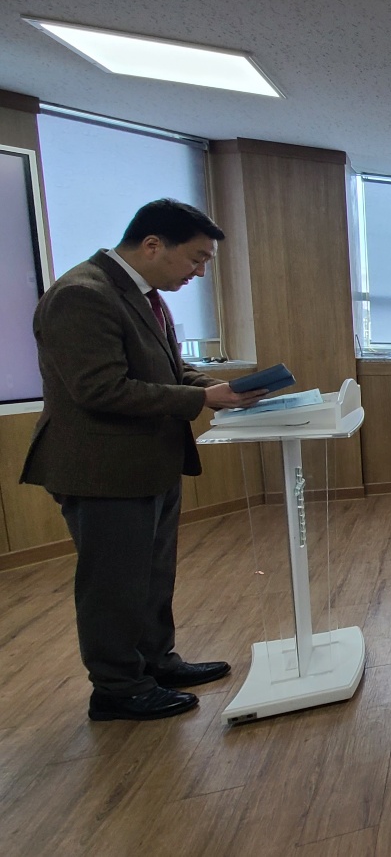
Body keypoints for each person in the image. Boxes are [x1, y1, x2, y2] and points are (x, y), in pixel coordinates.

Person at [21, 199, 269, 722]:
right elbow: (101, 389)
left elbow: (167, 371)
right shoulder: (82, 295)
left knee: (151, 575)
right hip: (103, 469)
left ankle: (155, 663)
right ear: (154, 245)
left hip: (148, 461)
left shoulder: (144, 295)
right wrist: (201, 399)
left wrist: (220, 389)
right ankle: (117, 689)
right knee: (113, 584)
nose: (200, 273)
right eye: (196, 259)